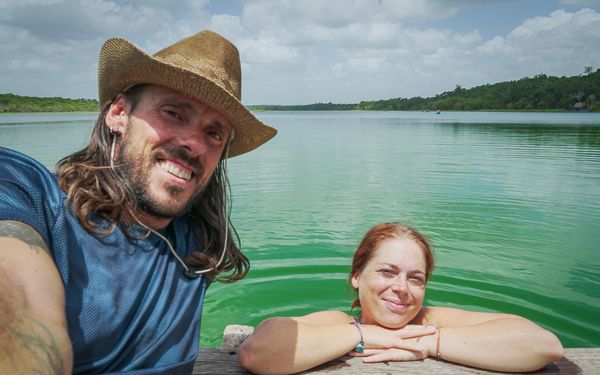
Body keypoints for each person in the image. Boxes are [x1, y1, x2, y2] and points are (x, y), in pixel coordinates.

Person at [0, 30, 276, 374]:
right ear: (118, 113)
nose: (194, 143)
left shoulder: (197, 245)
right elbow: (21, 310)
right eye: (173, 113)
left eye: (214, 133)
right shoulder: (28, 194)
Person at [239, 223, 564, 374]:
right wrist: (366, 333)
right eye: (387, 272)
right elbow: (258, 352)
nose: (402, 288)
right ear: (357, 276)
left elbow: (544, 345)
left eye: (415, 278)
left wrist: (427, 343)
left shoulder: (430, 323)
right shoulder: (340, 323)